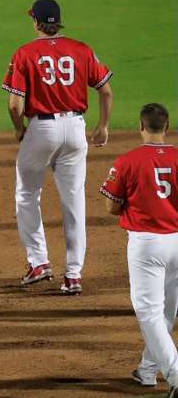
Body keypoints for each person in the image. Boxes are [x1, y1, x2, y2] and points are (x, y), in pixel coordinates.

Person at [2, 0, 114, 293]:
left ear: (37, 23)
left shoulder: (25, 53)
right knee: (74, 201)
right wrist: (102, 126)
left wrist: (19, 129)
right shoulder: (82, 49)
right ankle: (74, 275)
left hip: (42, 129)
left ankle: (39, 261)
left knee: (27, 194)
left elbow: (15, 105)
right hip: (76, 130)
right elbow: (106, 91)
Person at [99, 103, 178, 397]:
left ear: (141, 127)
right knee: (167, 310)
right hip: (177, 240)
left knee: (149, 312)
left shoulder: (128, 161)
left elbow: (111, 206)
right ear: (167, 127)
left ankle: (175, 374)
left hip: (146, 245)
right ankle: (147, 369)